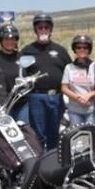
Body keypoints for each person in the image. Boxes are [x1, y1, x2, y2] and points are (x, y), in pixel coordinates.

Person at [21, 14, 72, 150]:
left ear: (51, 29)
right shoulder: (27, 51)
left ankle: (52, 164)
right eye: (40, 27)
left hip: (56, 97)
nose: (43, 29)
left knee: (54, 134)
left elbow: (70, 71)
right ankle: (39, 165)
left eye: (46, 27)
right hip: (36, 98)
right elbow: (20, 73)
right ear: (35, 30)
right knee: (38, 135)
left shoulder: (60, 50)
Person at [61, 35, 95, 126]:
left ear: (89, 49)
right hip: (74, 111)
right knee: (77, 138)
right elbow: (64, 88)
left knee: (91, 136)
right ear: (74, 49)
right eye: (79, 47)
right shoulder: (69, 68)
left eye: (85, 47)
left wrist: (89, 95)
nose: (82, 50)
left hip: (92, 110)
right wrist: (78, 98)